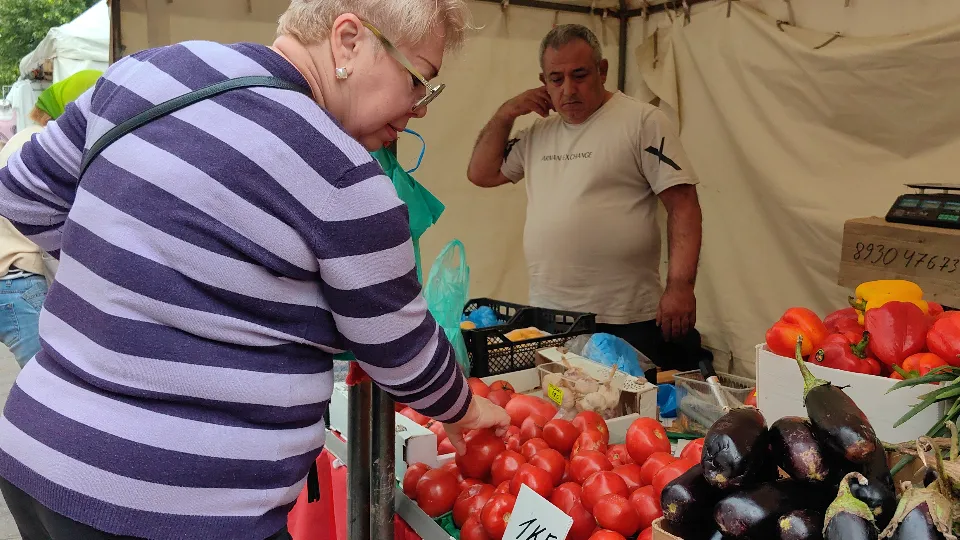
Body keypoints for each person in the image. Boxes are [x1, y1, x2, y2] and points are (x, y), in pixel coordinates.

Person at [0, 1, 510, 539]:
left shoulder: (146, 73)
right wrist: (466, 412)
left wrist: (134, 267)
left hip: (38, 457)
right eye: (418, 81)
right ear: (349, 41)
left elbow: (23, 197)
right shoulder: (343, 175)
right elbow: (400, 351)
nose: (419, 108)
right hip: (178, 509)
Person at [467, 24, 708, 371]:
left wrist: (680, 287)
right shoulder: (537, 132)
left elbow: (683, 204)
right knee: (565, 413)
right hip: (552, 319)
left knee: (629, 414)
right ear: (543, 81)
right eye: (556, 79)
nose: (568, 89)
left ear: (603, 70)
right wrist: (506, 113)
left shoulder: (642, 121)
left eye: (579, 75)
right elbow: (481, 173)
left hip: (627, 317)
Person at [0, 71, 99, 369]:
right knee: (51, 385)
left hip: (11, 279)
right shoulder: (47, 148)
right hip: (24, 279)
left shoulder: (22, 138)